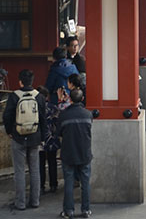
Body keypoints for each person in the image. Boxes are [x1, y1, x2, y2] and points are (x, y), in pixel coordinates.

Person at [3, 69, 47, 210]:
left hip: (18, 136)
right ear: (32, 81)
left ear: (20, 82)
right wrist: (43, 136)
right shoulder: (39, 96)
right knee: (35, 170)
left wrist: (9, 131)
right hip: (35, 136)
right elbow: (43, 119)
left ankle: (20, 203)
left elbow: (7, 116)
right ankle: (35, 201)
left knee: (19, 171)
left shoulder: (14, 96)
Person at [57, 88, 93, 219]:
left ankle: (69, 211)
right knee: (85, 182)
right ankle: (86, 210)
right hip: (84, 153)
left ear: (70, 99)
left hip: (68, 153)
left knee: (69, 182)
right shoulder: (88, 114)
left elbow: (58, 133)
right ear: (82, 99)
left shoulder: (63, 115)